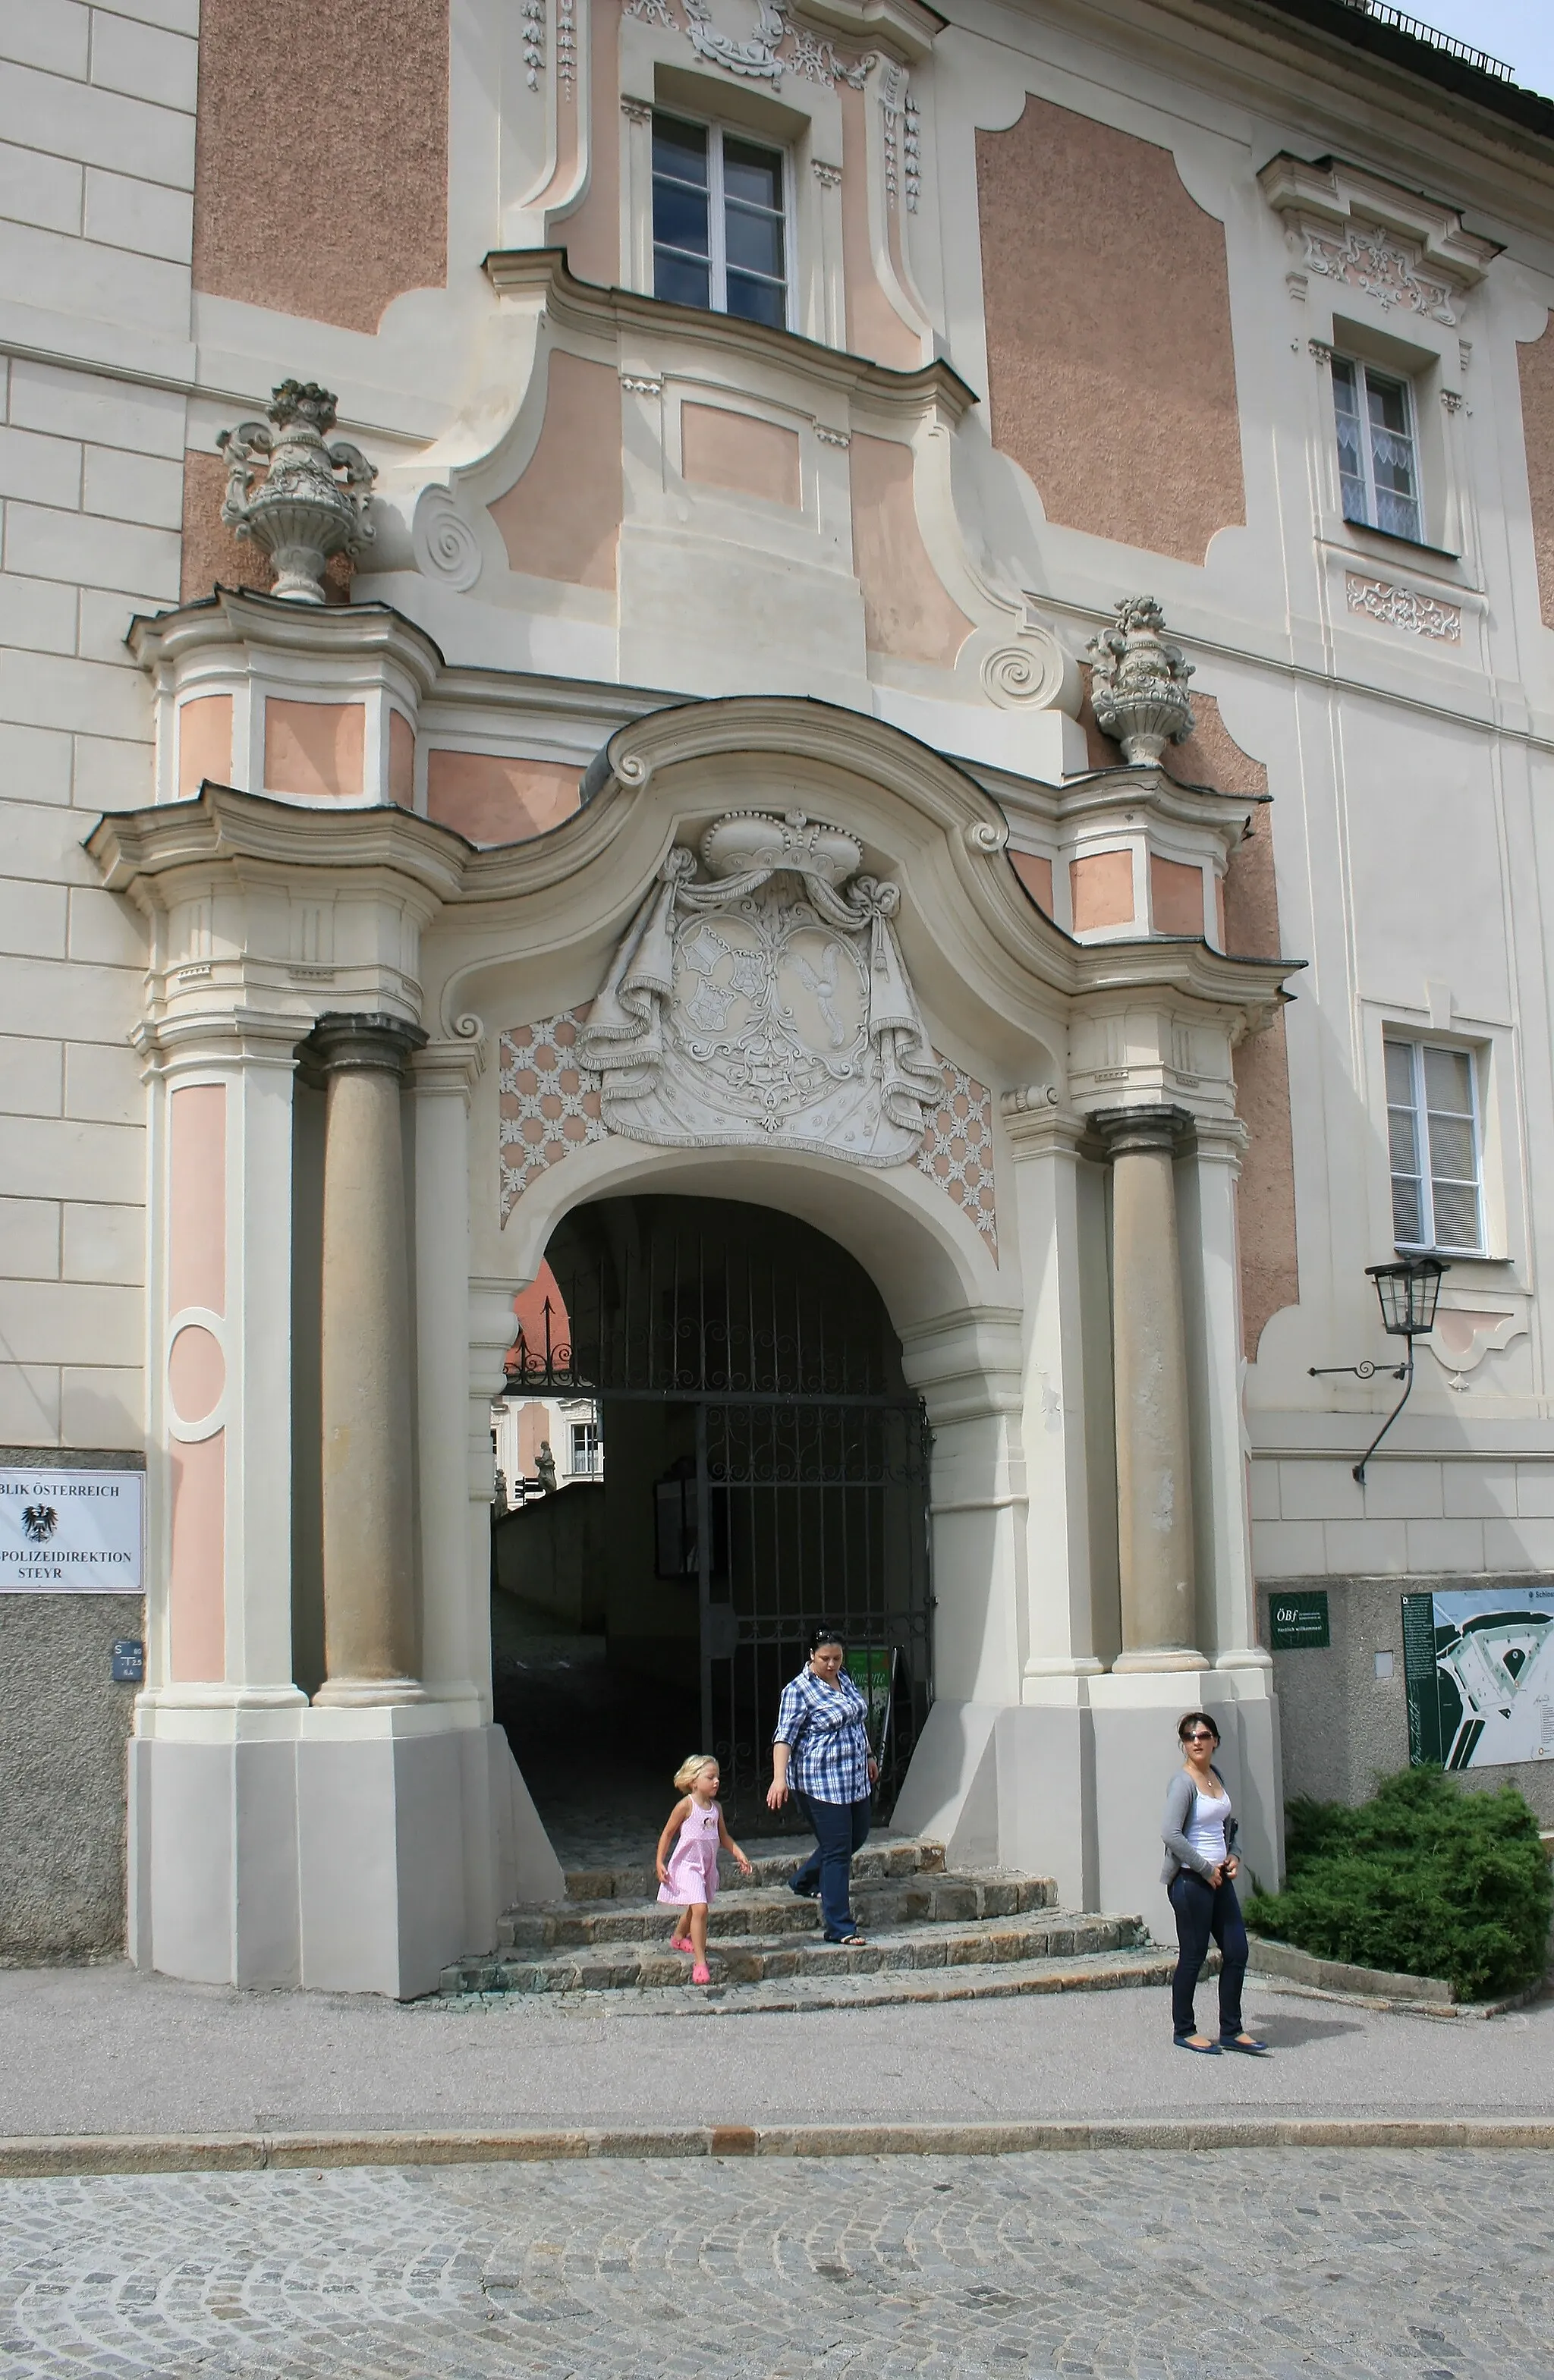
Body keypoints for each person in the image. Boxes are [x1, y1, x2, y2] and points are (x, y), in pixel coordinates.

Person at [1161, 1710, 1267, 2055]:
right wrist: (1206, 1868)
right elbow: (1171, 1836)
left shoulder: (1215, 1776)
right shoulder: (1183, 1783)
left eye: (1203, 1735)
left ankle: (1232, 2030)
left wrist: (1234, 1854)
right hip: (1192, 1882)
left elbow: (1228, 1825)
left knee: (1237, 1950)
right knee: (1193, 1955)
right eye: (1189, 1736)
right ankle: (1184, 2029)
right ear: (1183, 1744)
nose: (1196, 1741)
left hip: (1219, 1878)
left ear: (1215, 1741)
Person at [767, 1625, 878, 1945]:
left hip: (853, 1778)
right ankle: (839, 1926)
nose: (832, 1664)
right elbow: (784, 1736)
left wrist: (869, 1754)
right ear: (811, 1656)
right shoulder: (798, 1690)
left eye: (837, 1658)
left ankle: (804, 1880)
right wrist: (779, 1778)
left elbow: (857, 1720)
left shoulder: (844, 1680)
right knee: (837, 1851)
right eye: (825, 1658)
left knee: (857, 1836)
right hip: (821, 1782)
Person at [656, 1754, 752, 1985]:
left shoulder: (716, 1808)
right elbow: (668, 1833)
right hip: (687, 1866)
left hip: (705, 1867)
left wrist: (738, 1853)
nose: (716, 1781)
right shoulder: (685, 1806)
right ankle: (700, 1962)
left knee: (694, 1907)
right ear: (694, 1781)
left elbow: (723, 1837)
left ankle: (679, 1937)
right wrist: (660, 1861)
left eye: (718, 1776)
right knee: (700, 1908)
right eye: (711, 1777)